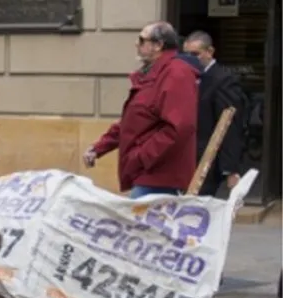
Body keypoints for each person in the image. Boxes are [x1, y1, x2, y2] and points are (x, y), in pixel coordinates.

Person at [84, 21, 199, 198]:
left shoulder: (177, 73)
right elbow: (132, 121)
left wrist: (141, 157)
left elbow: (179, 127)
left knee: (137, 224)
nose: (136, 44)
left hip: (160, 178)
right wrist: (99, 148)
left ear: (158, 45)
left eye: (142, 40)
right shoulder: (152, 74)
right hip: (147, 175)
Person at [182, 31, 245, 197]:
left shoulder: (223, 79)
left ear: (209, 52)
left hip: (207, 159)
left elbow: (229, 123)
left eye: (195, 54)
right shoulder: (186, 76)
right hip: (185, 156)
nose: (191, 58)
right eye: (186, 54)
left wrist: (231, 168)